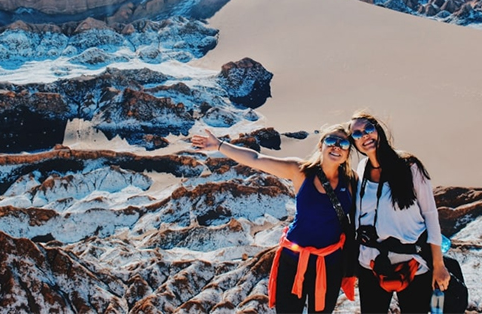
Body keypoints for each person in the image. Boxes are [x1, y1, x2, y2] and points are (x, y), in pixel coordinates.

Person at [191, 125, 357, 313]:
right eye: (330, 141)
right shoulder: (300, 171)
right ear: (321, 146)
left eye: (343, 143)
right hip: (293, 259)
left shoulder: (351, 182)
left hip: (328, 264)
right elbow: (256, 159)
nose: (336, 147)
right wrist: (220, 145)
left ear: (348, 152)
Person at [346, 111, 450, 313]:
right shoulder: (362, 168)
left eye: (368, 129)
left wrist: (439, 265)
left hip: (412, 263)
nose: (365, 136)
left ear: (378, 130)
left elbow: (430, 214)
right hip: (372, 264)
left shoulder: (409, 166)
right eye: (357, 134)